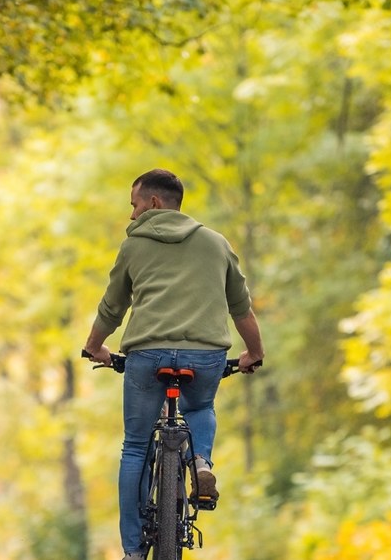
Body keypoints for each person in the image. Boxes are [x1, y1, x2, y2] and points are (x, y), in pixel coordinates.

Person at [82, 168, 264, 560]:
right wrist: (254, 352)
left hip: (146, 356)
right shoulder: (216, 244)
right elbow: (241, 309)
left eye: (133, 205)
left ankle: (132, 550)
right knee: (200, 406)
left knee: (134, 447)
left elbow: (113, 307)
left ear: (153, 202)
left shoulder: (133, 247)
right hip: (206, 354)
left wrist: (94, 346)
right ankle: (200, 462)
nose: (131, 216)